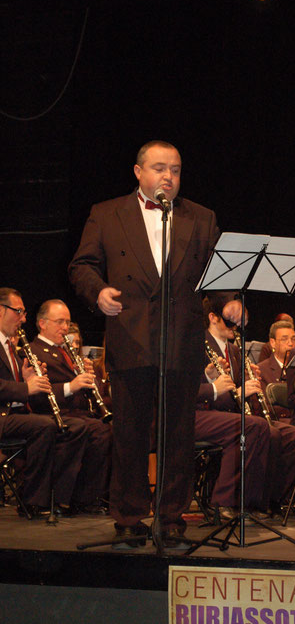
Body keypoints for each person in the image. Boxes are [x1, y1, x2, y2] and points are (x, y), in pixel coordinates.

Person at [68, 140, 241, 548]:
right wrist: (99, 293)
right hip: (130, 338)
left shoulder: (201, 217)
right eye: (160, 168)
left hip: (181, 341)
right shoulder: (107, 213)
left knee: (178, 437)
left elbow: (217, 275)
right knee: (129, 435)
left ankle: (171, 518)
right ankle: (128, 518)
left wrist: (229, 301)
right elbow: (82, 265)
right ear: (138, 171)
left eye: (176, 170)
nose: (169, 176)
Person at [201, 298, 295, 516]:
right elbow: (201, 393)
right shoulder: (199, 346)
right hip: (206, 411)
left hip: (232, 412)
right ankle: (228, 502)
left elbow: (237, 392)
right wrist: (238, 392)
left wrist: (249, 385)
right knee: (258, 429)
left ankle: (269, 499)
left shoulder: (235, 351)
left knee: (293, 434)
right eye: (230, 321)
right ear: (213, 318)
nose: (236, 327)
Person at [0, 288, 88, 518]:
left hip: (13, 415)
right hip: (3, 417)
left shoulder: (10, 346)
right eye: (18, 311)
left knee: (70, 426)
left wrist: (26, 377)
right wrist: (25, 388)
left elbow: (13, 385)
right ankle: (32, 500)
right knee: (44, 426)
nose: (23, 318)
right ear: (1, 311)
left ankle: (65, 497)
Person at [29, 300, 112, 513]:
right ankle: (69, 498)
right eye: (59, 322)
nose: (65, 327)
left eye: (67, 322)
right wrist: (72, 385)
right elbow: (38, 396)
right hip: (52, 414)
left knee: (108, 429)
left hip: (79, 414)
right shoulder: (34, 351)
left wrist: (87, 376)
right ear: (42, 324)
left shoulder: (65, 351)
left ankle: (89, 497)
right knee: (93, 430)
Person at [258, 320, 295, 420]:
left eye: (293, 339)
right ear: (273, 342)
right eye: (284, 339)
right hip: (279, 422)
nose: (291, 344)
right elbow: (265, 407)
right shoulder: (261, 370)